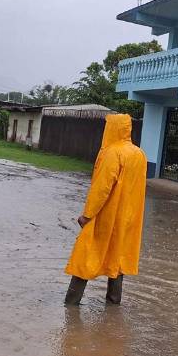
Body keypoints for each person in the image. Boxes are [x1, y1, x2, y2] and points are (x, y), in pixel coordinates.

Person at [64, 114, 147, 305]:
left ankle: (71, 304)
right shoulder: (139, 154)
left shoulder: (112, 153)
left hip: (107, 216)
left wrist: (87, 215)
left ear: (113, 128)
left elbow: (101, 189)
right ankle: (113, 302)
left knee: (85, 255)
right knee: (117, 258)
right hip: (129, 218)